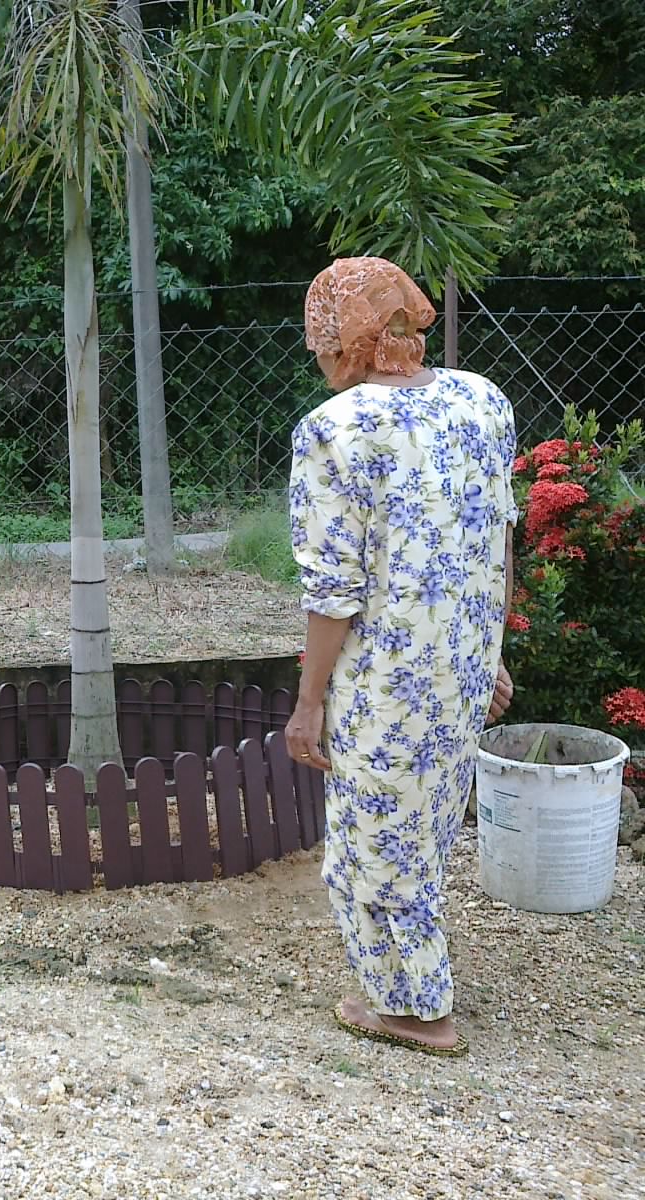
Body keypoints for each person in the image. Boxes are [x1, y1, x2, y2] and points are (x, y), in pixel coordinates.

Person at [285, 257, 517, 1058]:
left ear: (337, 336)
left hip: (386, 675)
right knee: (424, 829)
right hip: (458, 668)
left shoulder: (334, 427)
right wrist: (488, 654)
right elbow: (498, 538)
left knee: (371, 837)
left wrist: (308, 701)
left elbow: (332, 589)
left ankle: (417, 1010)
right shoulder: (482, 400)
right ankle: (418, 982)